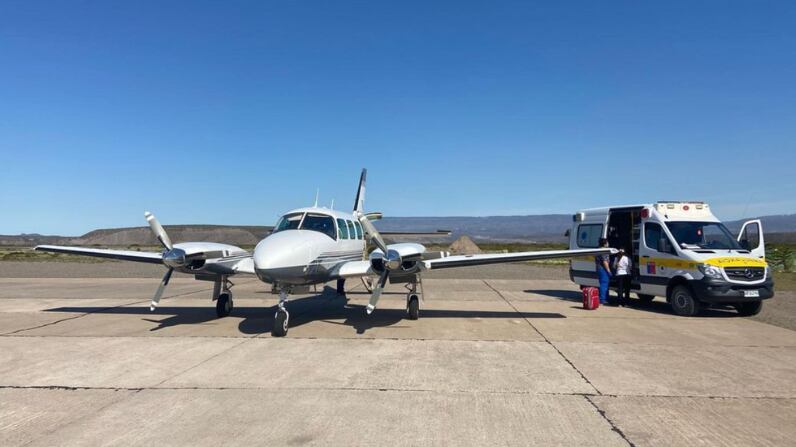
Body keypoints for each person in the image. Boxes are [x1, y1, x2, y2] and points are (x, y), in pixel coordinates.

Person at [595, 238, 612, 304]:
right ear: (605, 243)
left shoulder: (597, 250)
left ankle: (605, 298)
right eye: (607, 242)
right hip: (603, 269)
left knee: (602, 283)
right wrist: (609, 271)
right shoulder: (604, 251)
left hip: (598, 268)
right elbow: (605, 262)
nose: (608, 244)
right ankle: (602, 299)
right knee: (604, 284)